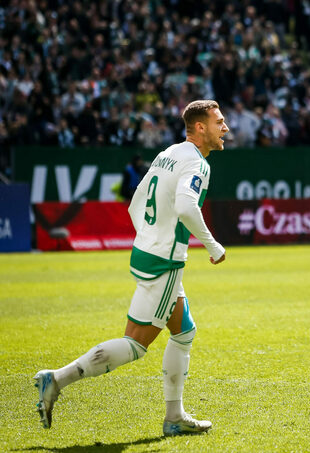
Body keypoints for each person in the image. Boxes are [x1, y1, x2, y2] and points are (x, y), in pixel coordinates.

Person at [33, 100, 229, 436]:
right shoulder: (197, 162)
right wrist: (213, 245)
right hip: (165, 260)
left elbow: (136, 200)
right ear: (200, 127)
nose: (224, 128)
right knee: (136, 344)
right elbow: (186, 206)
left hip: (148, 252)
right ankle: (57, 379)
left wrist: (148, 236)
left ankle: (174, 417)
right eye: (219, 122)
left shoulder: (168, 153)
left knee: (184, 332)